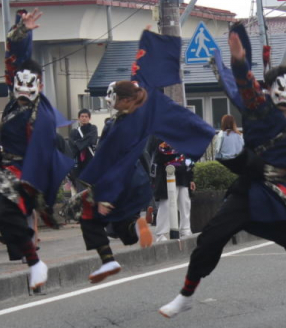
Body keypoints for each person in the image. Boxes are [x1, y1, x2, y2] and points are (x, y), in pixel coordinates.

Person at [159, 27, 286, 328]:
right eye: (279, 90)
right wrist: (240, 62)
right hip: (252, 188)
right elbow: (244, 86)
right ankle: (186, 294)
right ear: (268, 90)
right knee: (211, 238)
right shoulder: (258, 109)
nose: (285, 95)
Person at [0, 8, 73, 293]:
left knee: (6, 211)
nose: (21, 88)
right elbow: (16, 62)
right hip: (6, 168)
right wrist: (23, 31)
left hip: (26, 171)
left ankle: (34, 264)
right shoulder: (13, 101)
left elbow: (44, 151)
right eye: (17, 83)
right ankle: (27, 255)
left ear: (40, 85)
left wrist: (34, 186)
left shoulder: (40, 115)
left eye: (28, 84)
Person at [76, 60, 212, 283]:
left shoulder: (119, 125)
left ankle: (109, 258)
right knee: (120, 226)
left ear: (126, 100)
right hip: (137, 181)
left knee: (89, 217)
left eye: (114, 97)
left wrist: (105, 196)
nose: (111, 101)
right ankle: (135, 228)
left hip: (120, 181)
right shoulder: (141, 116)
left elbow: (115, 162)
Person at [153, 141, 196, 242]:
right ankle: (161, 233)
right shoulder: (161, 139)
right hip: (166, 174)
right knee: (167, 204)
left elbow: (189, 159)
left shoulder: (183, 140)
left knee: (185, 203)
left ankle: (185, 229)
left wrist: (191, 178)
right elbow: (158, 158)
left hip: (183, 174)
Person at [68, 109, 99, 186]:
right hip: (78, 161)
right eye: (82, 116)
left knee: (91, 183)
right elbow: (72, 146)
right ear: (78, 118)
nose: (84, 118)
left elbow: (92, 140)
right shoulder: (74, 131)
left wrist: (78, 143)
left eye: (86, 116)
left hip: (90, 158)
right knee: (78, 183)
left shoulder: (93, 128)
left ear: (89, 118)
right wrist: (83, 142)